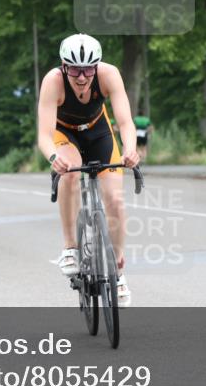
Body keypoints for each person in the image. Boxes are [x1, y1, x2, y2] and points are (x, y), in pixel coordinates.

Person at [37, 33, 140, 307]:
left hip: (98, 131)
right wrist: (53, 157)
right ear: (63, 66)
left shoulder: (109, 75)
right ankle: (70, 247)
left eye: (87, 70)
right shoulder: (53, 82)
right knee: (69, 173)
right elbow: (44, 135)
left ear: (97, 66)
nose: (81, 77)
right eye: (74, 69)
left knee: (116, 201)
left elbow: (126, 123)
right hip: (64, 134)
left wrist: (130, 149)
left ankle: (118, 274)